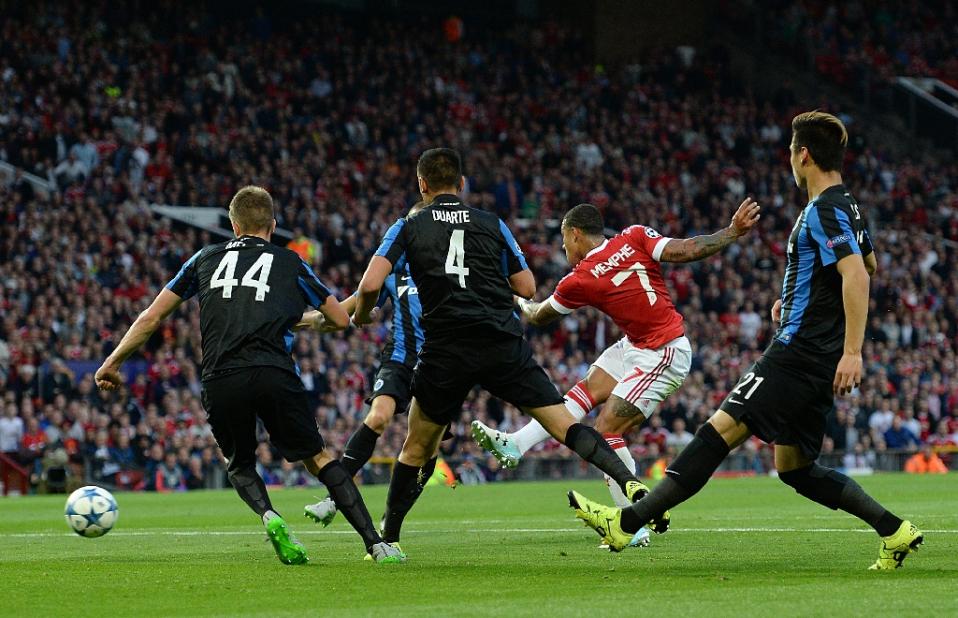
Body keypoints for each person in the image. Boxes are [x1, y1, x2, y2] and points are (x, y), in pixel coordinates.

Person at [568, 111, 924, 571]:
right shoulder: (848, 205)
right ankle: (894, 531)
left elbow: (856, 274)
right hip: (813, 352)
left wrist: (852, 350)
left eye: (791, 152)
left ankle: (627, 523)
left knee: (718, 431)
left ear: (804, 155)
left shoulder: (826, 208)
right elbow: (868, 263)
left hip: (796, 354)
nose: (790, 161)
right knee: (795, 468)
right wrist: (797, 303)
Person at [351, 148, 646, 554]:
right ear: (462, 184)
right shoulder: (492, 223)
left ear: (422, 185)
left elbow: (369, 286)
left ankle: (389, 539)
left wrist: (364, 315)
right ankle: (627, 480)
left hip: (445, 349)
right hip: (500, 343)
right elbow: (526, 288)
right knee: (564, 424)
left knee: (416, 446)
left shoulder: (406, 225)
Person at [94, 186, 403, 565]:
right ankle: (376, 544)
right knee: (319, 459)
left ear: (233, 224)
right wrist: (301, 320)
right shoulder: (291, 262)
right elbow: (340, 319)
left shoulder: (205, 258)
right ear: (273, 225)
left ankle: (269, 515)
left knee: (239, 464)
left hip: (221, 376)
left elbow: (151, 317)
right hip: (274, 371)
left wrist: (112, 362)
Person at [471, 198, 760, 546]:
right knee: (584, 392)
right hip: (636, 345)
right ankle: (517, 443)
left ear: (576, 234)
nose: (563, 248)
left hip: (663, 352)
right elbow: (685, 250)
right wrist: (732, 232)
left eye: (564, 240)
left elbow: (537, 315)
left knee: (605, 429)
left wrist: (513, 297)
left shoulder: (579, 279)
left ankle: (631, 525)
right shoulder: (635, 236)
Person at [303, 202, 437, 530]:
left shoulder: (449, 267)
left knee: (425, 450)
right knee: (378, 417)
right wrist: (294, 321)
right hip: (401, 356)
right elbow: (346, 310)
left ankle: (391, 525)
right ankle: (334, 499)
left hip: (442, 362)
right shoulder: (394, 266)